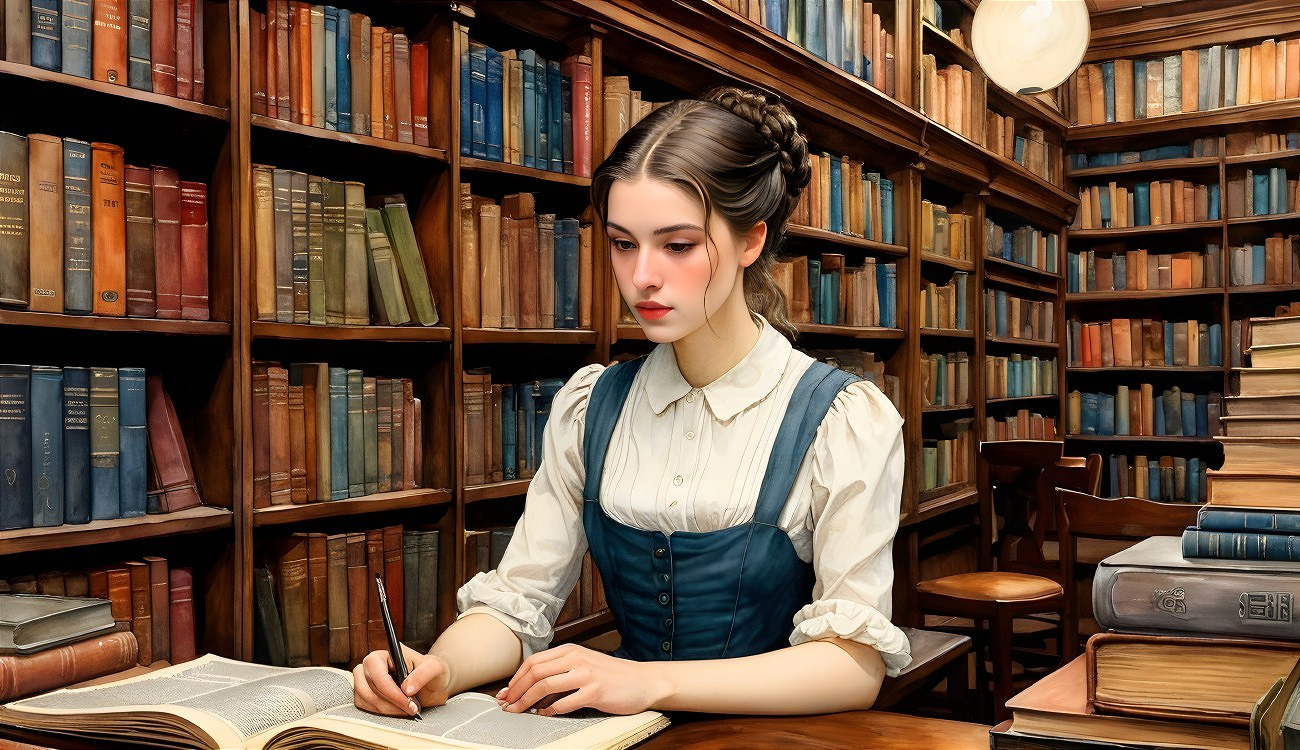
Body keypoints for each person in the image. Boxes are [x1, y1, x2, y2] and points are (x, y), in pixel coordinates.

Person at [353, 85, 909, 719]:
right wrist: (440, 668)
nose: (643, 275)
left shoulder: (841, 420)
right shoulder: (592, 408)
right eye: (623, 243)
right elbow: (516, 602)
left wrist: (649, 682)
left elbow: (852, 664)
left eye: (677, 245)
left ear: (751, 240)